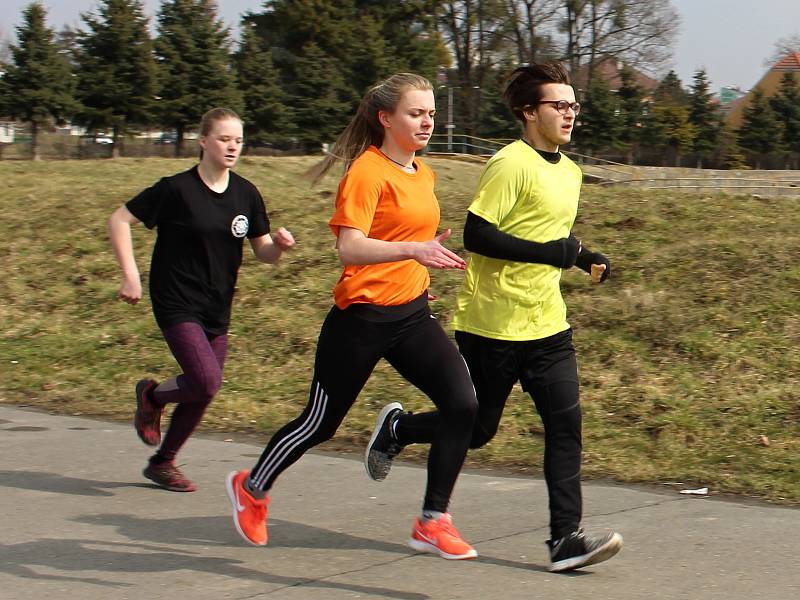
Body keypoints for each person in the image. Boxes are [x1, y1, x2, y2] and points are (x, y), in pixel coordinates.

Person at [365, 62, 623, 572]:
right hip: (493, 324)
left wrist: (584, 255)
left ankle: (564, 540)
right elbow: (479, 236)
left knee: (565, 425)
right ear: (529, 113)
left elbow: (546, 234)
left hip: (547, 323)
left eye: (574, 105)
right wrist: (556, 252)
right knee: (478, 429)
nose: (570, 113)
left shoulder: (569, 171)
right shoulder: (510, 163)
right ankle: (398, 430)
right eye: (559, 105)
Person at [225, 73, 480, 560]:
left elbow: (410, 240)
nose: (426, 121)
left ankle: (432, 521)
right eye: (415, 113)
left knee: (463, 404)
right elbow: (350, 246)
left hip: (411, 316)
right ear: (386, 118)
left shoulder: (422, 172)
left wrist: (420, 265)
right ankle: (251, 488)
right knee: (320, 423)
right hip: (360, 320)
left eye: (430, 113)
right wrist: (413, 249)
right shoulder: (366, 171)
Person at [108, 107, 295, 492]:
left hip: (216, 304)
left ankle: (162, 463)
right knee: (206, 381)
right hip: (175, 299)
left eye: (238, 140)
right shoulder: (176, 189)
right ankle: (153, 396)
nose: (232, 147)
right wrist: (130, 275)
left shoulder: (246, 193)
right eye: (224, 139)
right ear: (203, 141)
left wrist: (278, 246)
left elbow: (262, 251)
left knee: (202, 388)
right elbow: (119, 220)